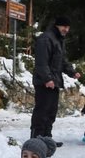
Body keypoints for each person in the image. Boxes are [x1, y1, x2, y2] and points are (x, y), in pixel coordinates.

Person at [31, 16, 81, 144]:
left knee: (51, 112)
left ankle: (47, 138)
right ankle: (36, 139)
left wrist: (72, 72)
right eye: (64, 26)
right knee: (42, 111)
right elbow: (41, 62)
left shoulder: (59, 40)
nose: (66, 29)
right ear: (57, 26)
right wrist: (47, 79)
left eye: (68, 27)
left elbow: (61, 61)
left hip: (54, 82)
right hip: (44, 82)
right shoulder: (46, 39)